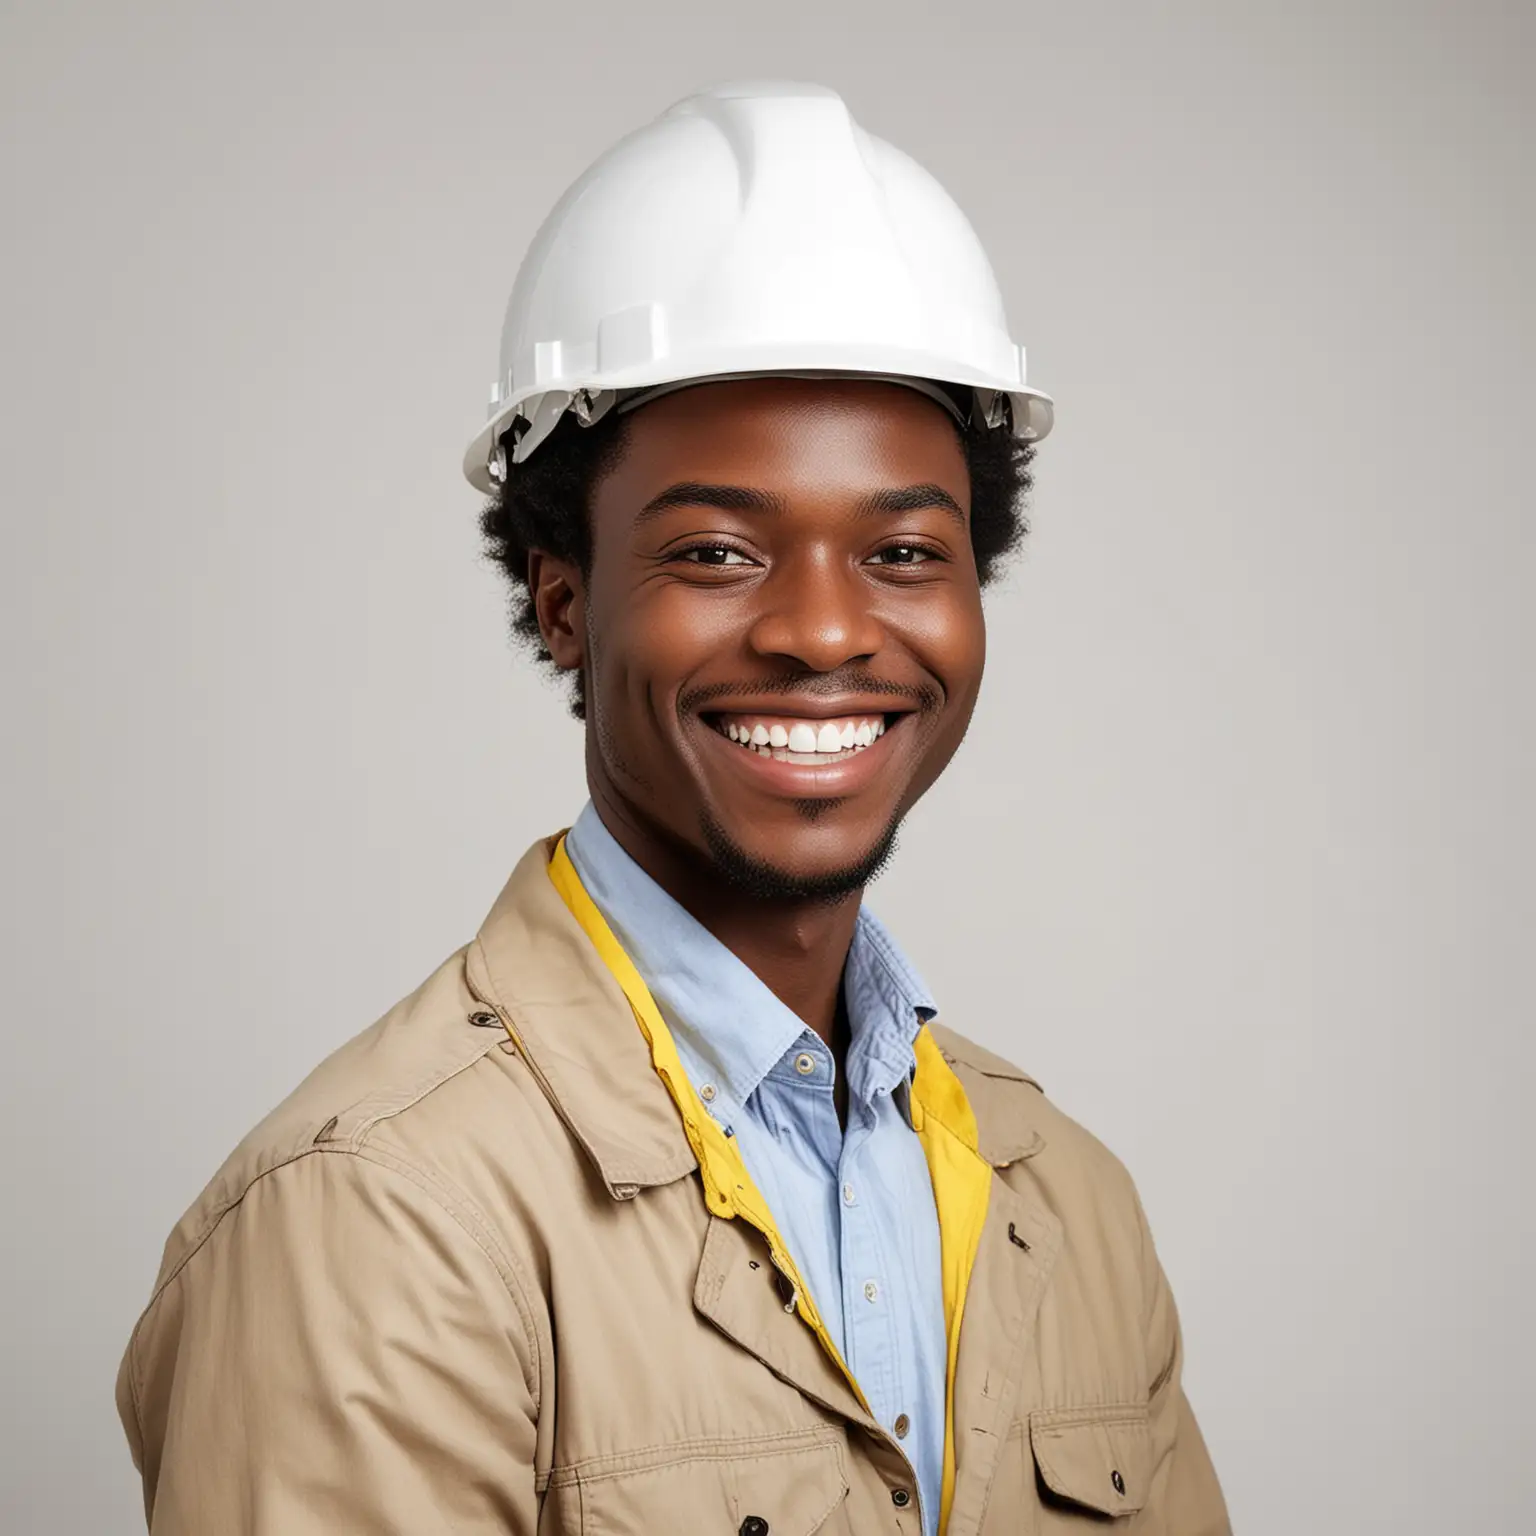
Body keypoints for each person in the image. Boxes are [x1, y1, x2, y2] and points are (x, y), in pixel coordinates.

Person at [116, 82, 1231, 1534]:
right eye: (715, 550)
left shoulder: (1069, 1205)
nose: (826, 632)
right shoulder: (380, 1221)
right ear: (563, 600)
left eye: (903, 550)